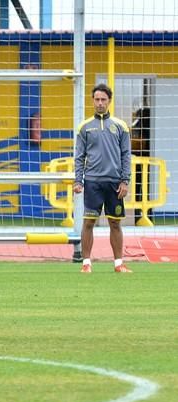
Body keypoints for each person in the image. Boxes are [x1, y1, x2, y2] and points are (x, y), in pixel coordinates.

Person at [73, 83, 132, 273]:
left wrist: (125, 180)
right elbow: (79, 156)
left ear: (109, 101)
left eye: (103, 100)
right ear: (92, 101)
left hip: (115, 183)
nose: (100, 103)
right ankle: (86, 263)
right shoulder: (84, 127)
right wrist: (78, 180)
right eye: (97, 99)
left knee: (115, 222)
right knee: (88, 222)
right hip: (92, 182)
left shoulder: (120, 126)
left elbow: (126, 155)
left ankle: (118, 264)